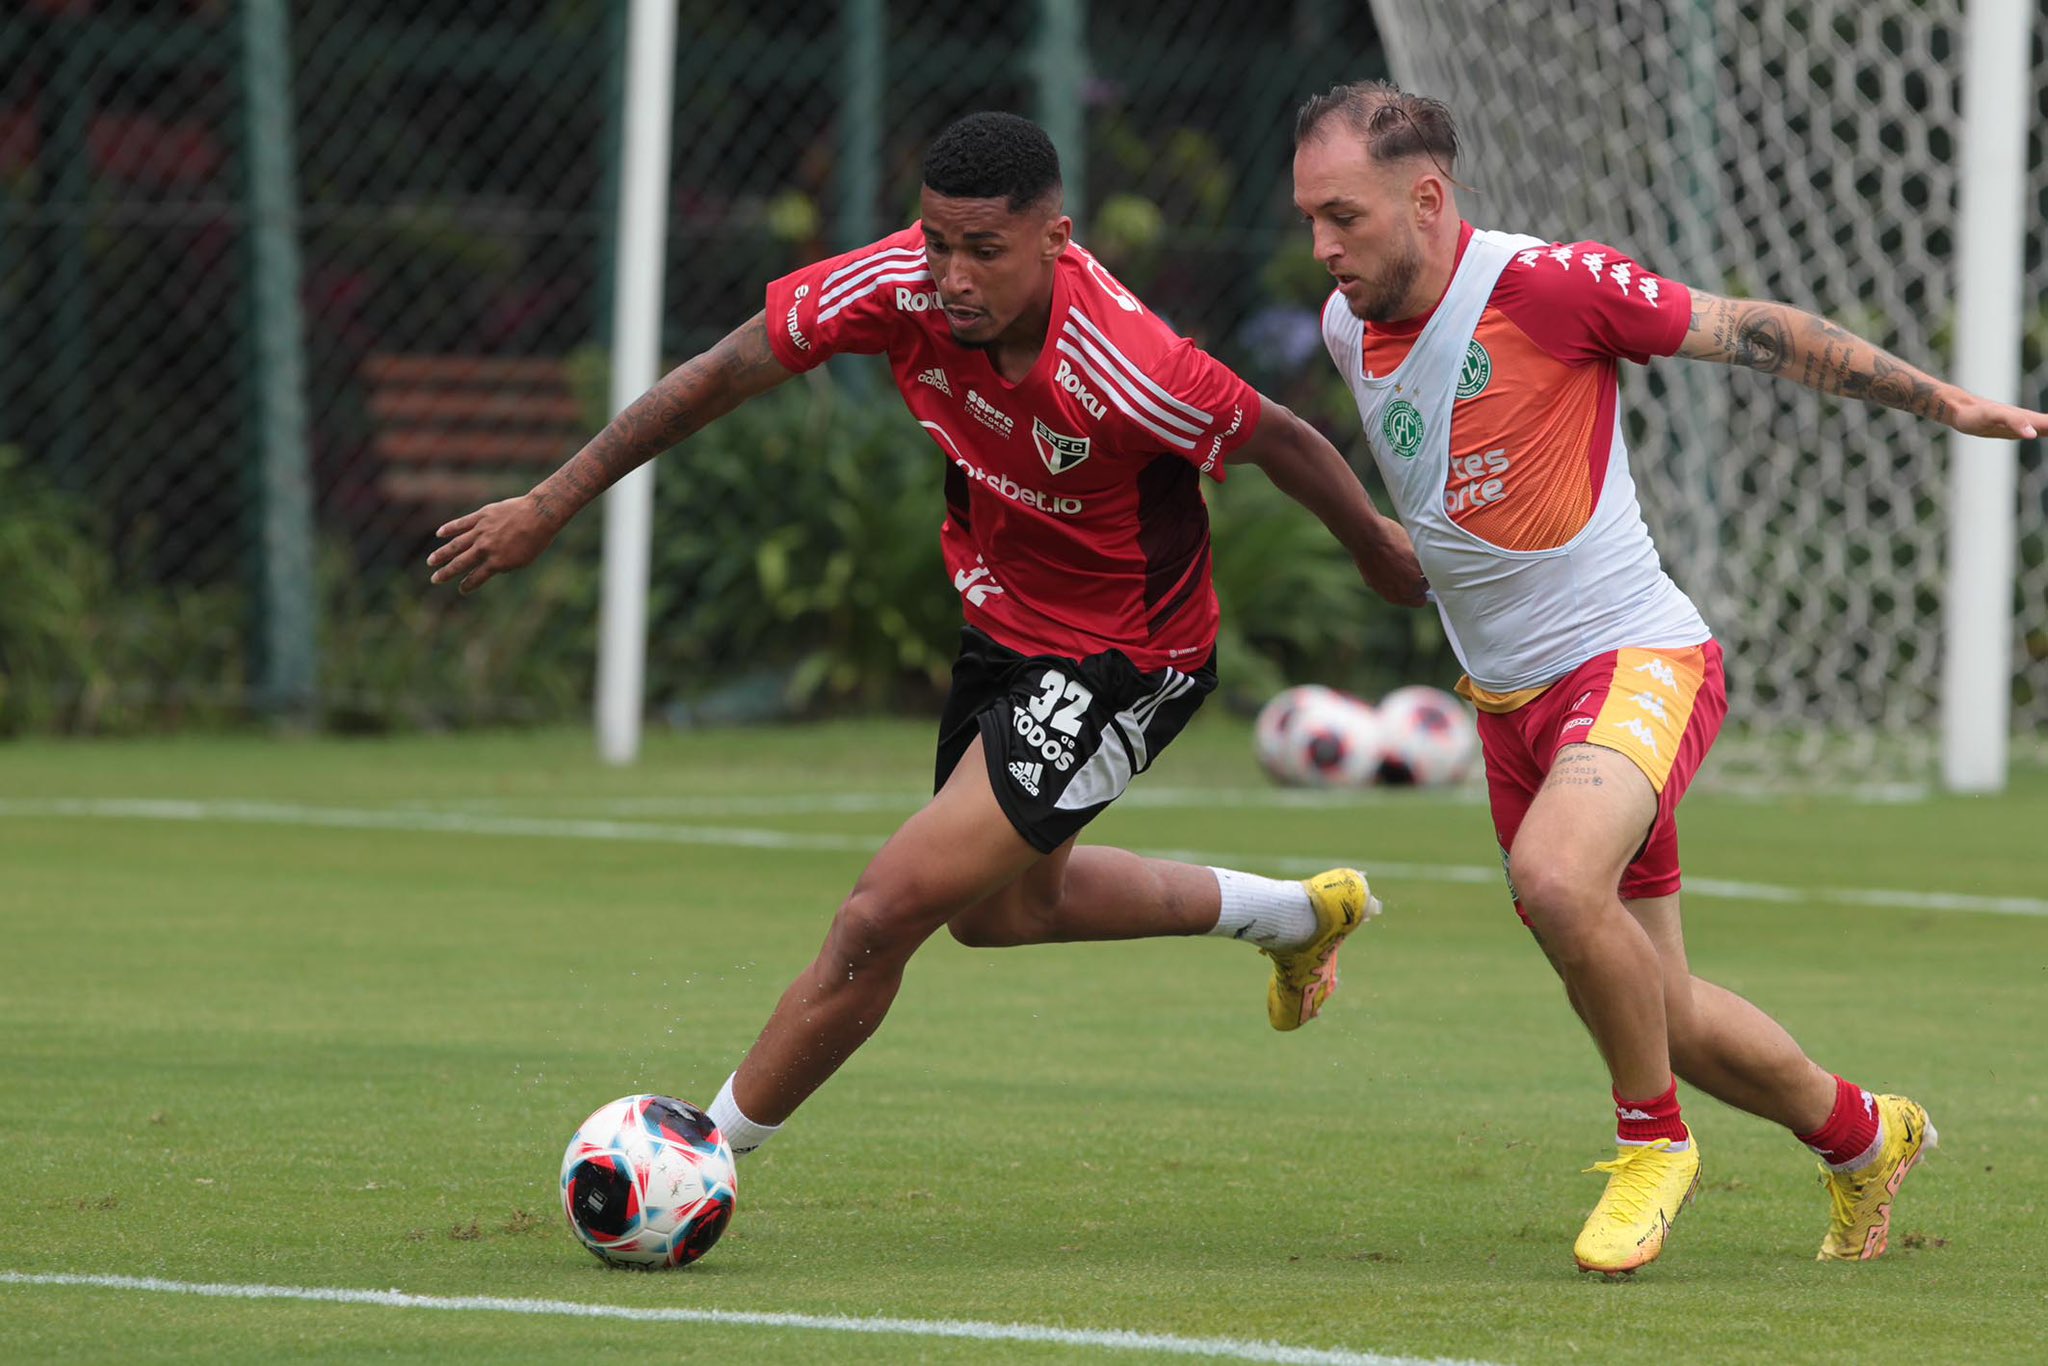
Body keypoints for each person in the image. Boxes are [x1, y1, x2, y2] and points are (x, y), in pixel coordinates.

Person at [429, 112, 1426, 1162]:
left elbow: (1277, 436)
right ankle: (1293, 915)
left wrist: (1367, 541)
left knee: (880, 915)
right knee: (999, 915)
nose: (949, 275)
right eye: (936, 241)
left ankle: (697, 1157)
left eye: (982, 251)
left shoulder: (1131, 363)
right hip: (1003, 626)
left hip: (1124, 656)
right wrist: (551, 500)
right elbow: (723, 373)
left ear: (1054, 238)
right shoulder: (897, 284)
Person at [1291, 80, 2047, 1275]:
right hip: (1506, 706)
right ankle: (1864, 1136)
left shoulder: (1546, 286)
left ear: (1425, 198)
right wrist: (1400, 547)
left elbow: (1748, 327)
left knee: (1552, 875)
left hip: (1636, 658)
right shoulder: (1348, 326)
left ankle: (1649, 1141)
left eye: (1343, 216)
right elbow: (1439, 479)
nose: (1322, 247)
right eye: (1309, 220)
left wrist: (1939, 399)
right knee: (1670, 1012)